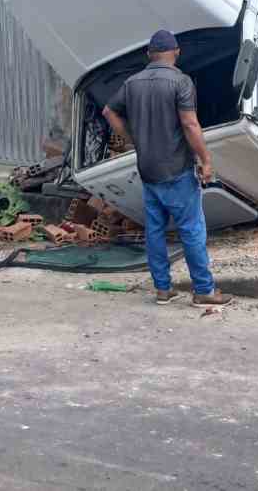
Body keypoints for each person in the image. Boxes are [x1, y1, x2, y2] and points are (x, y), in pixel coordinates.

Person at [102, 29, 232, 308]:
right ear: (176, 53)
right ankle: (203, 290)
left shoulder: (132, 83)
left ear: (149, 54)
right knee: (192, 229)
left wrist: (132, 139)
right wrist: (206, 160)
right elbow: (189, 124)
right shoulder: (181, 81)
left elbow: (109, 111)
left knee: (155, 230)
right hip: (176, 169)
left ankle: (163, 289)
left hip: (148, 170)